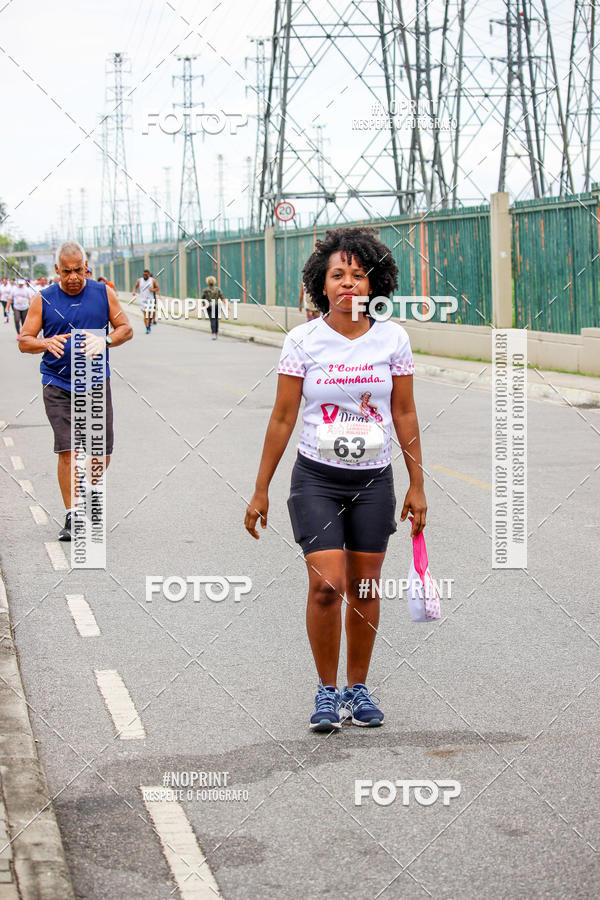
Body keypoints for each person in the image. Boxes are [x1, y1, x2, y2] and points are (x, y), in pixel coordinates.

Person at [244, 227, 427, 732]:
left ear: (373, 284)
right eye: (337, 275)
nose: (348, 283)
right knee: (327, 585)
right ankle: (326, 692)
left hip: (374, 481)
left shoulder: (393, 338)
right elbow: (283, 416)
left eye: (358, 275)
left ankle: (357, 689)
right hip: (317, 480)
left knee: (365, 586)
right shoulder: (302, 340)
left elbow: (405, 412)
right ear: (321, 285)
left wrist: (416, 484)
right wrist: (260, 488)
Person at [19, 240, 133, 541]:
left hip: (94, 381)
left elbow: (125, 329)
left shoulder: (103, 293)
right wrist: (44, 343)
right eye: (67, 271)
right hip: (57, 382)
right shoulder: (43, 299)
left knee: (101, 452)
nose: (73, 277)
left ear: (86, 268)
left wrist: (105, 340)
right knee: (67, 449)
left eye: (78, 270)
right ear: (57, 270)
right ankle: (73, 515)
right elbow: (24, 340)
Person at [133, 269, 160, 334]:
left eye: (146, 274)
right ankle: (147, 328)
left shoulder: (152, 280)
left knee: (150, 315)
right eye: (144, 274)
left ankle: (149, 323)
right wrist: (134, 292)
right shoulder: (139, 280)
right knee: (146, 315)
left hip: (150, 300)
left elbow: (157, 288)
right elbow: (135, 286)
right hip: (143, 300)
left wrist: (153, 290)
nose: (145, 275)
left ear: (149, 274)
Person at [202, 275, 224, 340]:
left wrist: (203, 305)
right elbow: (222, 297)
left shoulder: (205, 290)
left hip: (209, 306)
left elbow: (203, 299)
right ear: (214, 282)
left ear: (207, 282)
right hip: (217, 306)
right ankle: (216, 332)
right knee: (216, 319)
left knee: (212, 320)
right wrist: (227, 305)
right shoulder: (218, 289)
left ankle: (213, 333)